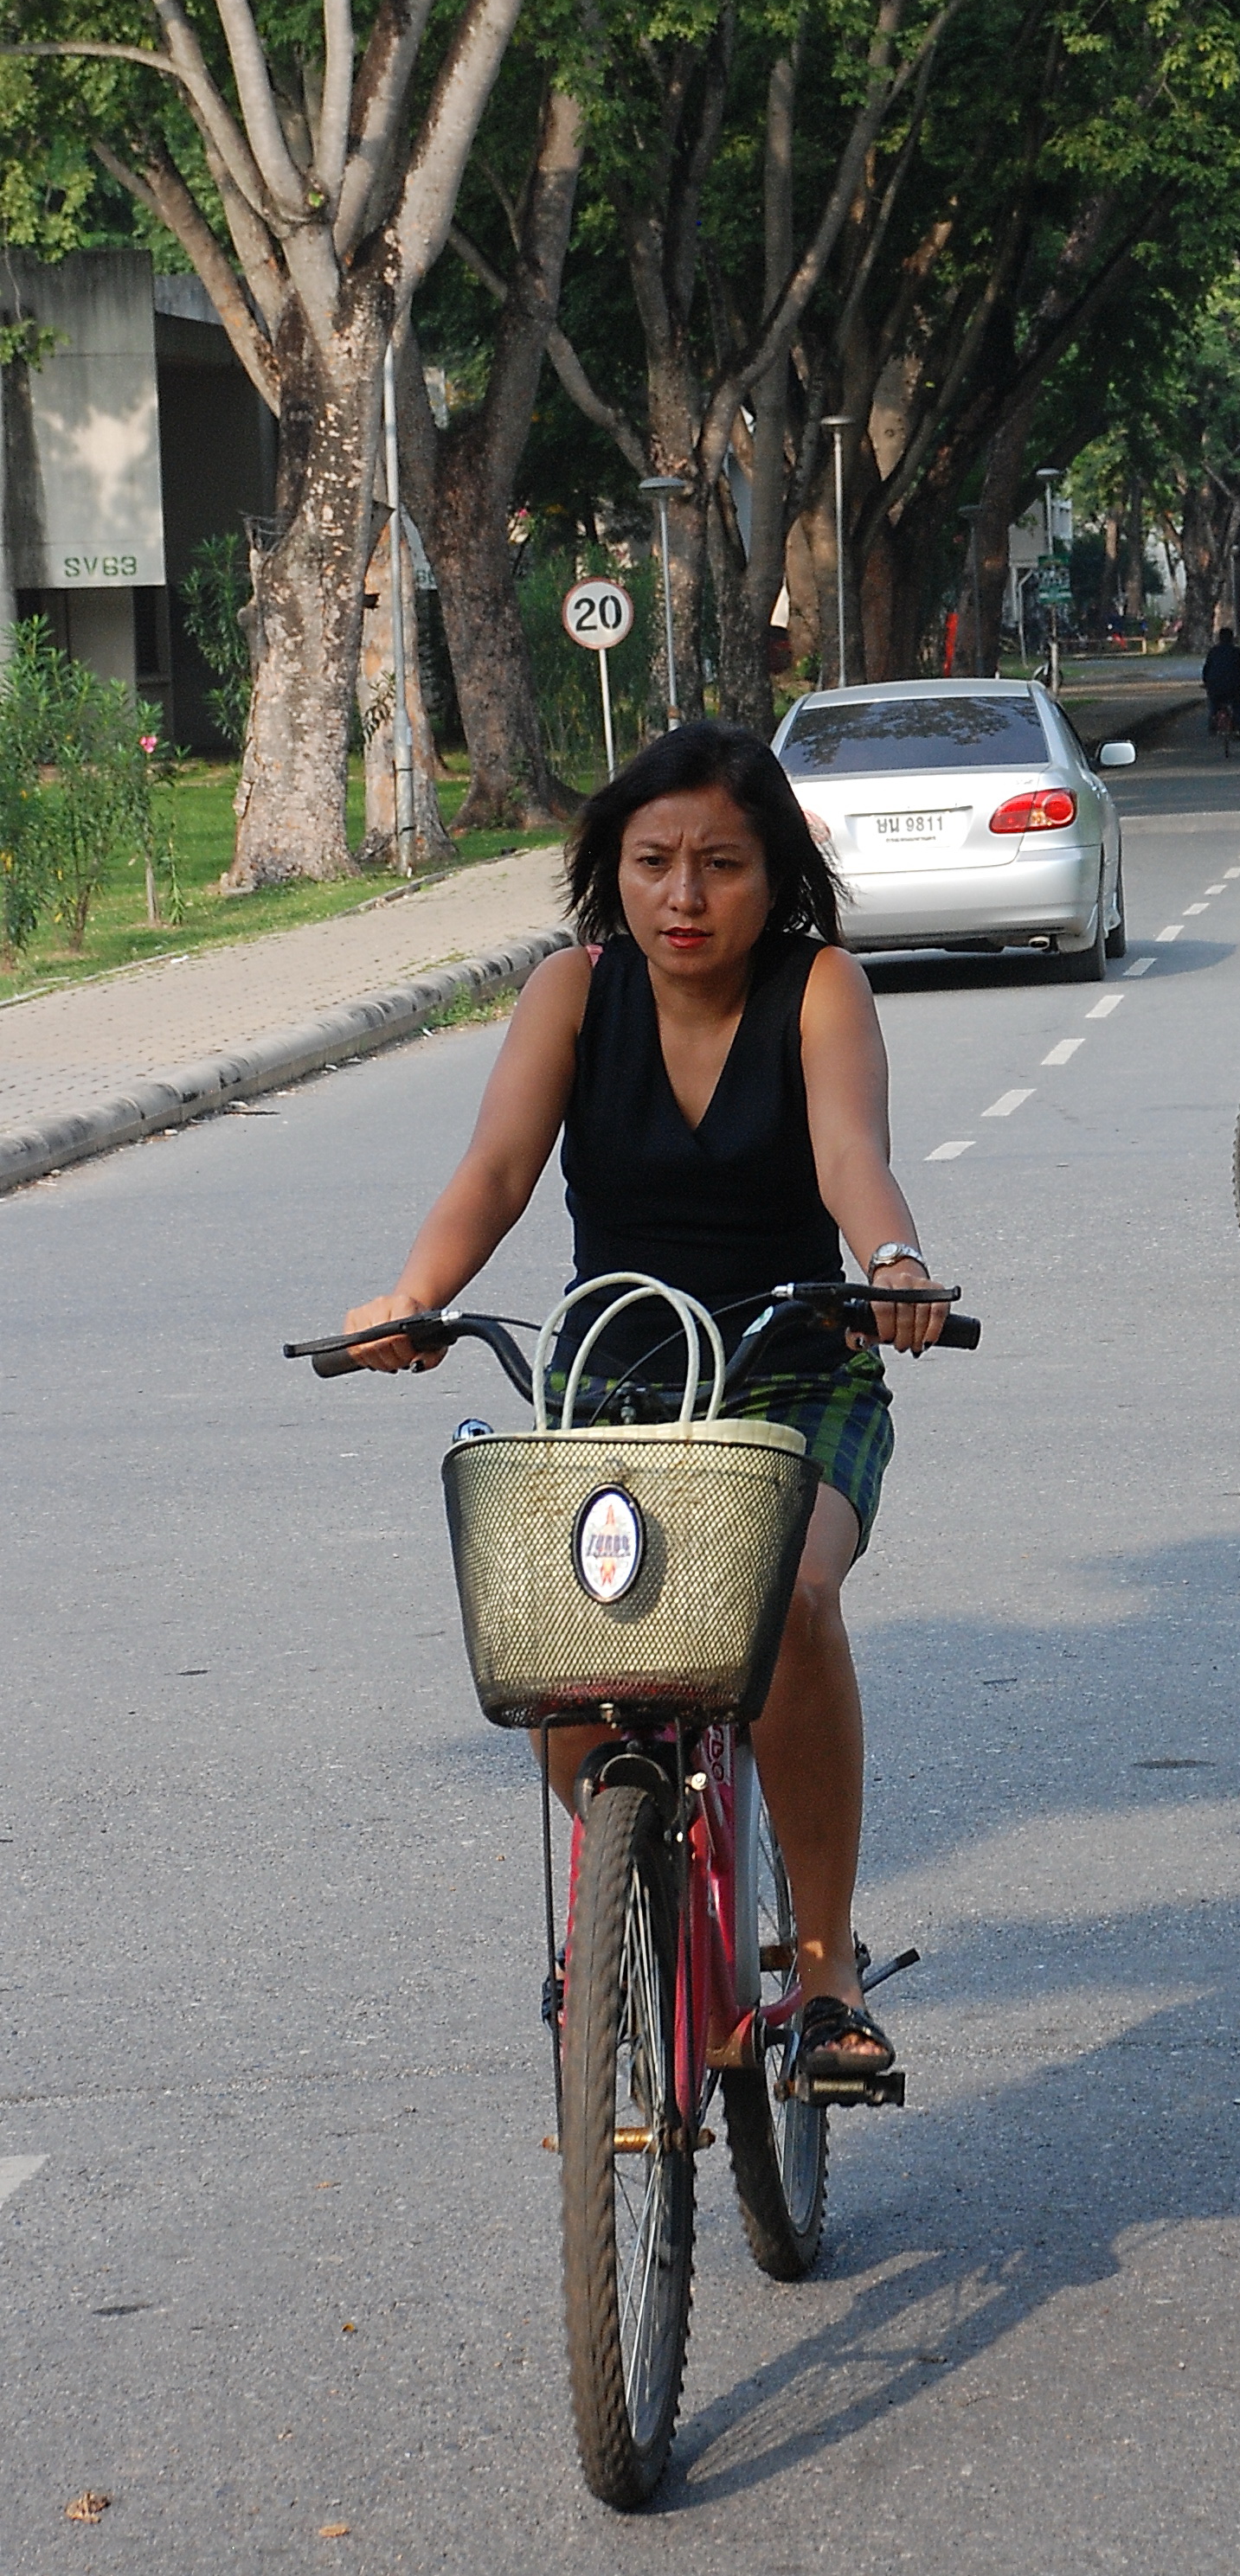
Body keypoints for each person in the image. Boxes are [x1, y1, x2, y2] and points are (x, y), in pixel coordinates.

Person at [342, 721, 947, 2094]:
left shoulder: (819, 988)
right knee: (555, 1663)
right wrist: (414, 1296)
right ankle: (649, 1874)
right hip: (610, 1380)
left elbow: (855, 1157)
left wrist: (894, 1265)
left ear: (774, 873)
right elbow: (496, 1169)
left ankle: (828, 1970)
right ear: (611, 870)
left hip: (791, 1375)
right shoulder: (572, 992)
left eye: (722, 865)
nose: (686, 896)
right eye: (655, 862)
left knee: (788, 1605)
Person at [1203, 625, 1240, 739]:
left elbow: (1206, 669)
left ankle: (1212, 720)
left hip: (1214, 686)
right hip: (1233, 687)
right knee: (1237, 705)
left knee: (1213, 703)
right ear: (1232, 638)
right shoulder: (1236, 652)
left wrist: (1206, 682)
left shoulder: (1213, 651)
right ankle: (1237, 727)